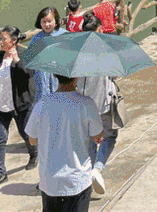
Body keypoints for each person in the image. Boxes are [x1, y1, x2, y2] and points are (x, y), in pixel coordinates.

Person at [25, 75, 103, 212]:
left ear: (55, 76)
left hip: (49, 180)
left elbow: (32, 139)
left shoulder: (42, 104)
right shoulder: (86, 103)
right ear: (77, 77)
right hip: (77, 179)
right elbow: (98, 135)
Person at [0, 25, 36, 188]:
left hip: (20, 105)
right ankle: (0, 173)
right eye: (0, 38)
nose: (0, 42)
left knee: (25, 134)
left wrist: (16, 60)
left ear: (13, 41)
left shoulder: (25, 53)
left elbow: (28, 74)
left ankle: (34, 154)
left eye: (3, 39)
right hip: (0, 106)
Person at [78, 14, 124, 196]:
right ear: (99, 30)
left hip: (83, 105)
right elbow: (118, 72)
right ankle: (97, 168)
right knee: (109, 137)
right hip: (103, 103)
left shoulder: (77, 52)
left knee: (90, 141)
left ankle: (89, 173)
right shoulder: (105, 50)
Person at [29, 7, 67, 103]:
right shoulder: (36, 39)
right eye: (43, 22)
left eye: (49, 21)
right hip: (41, 80)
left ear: (56, 21)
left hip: (60, 79)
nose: (47, 24)